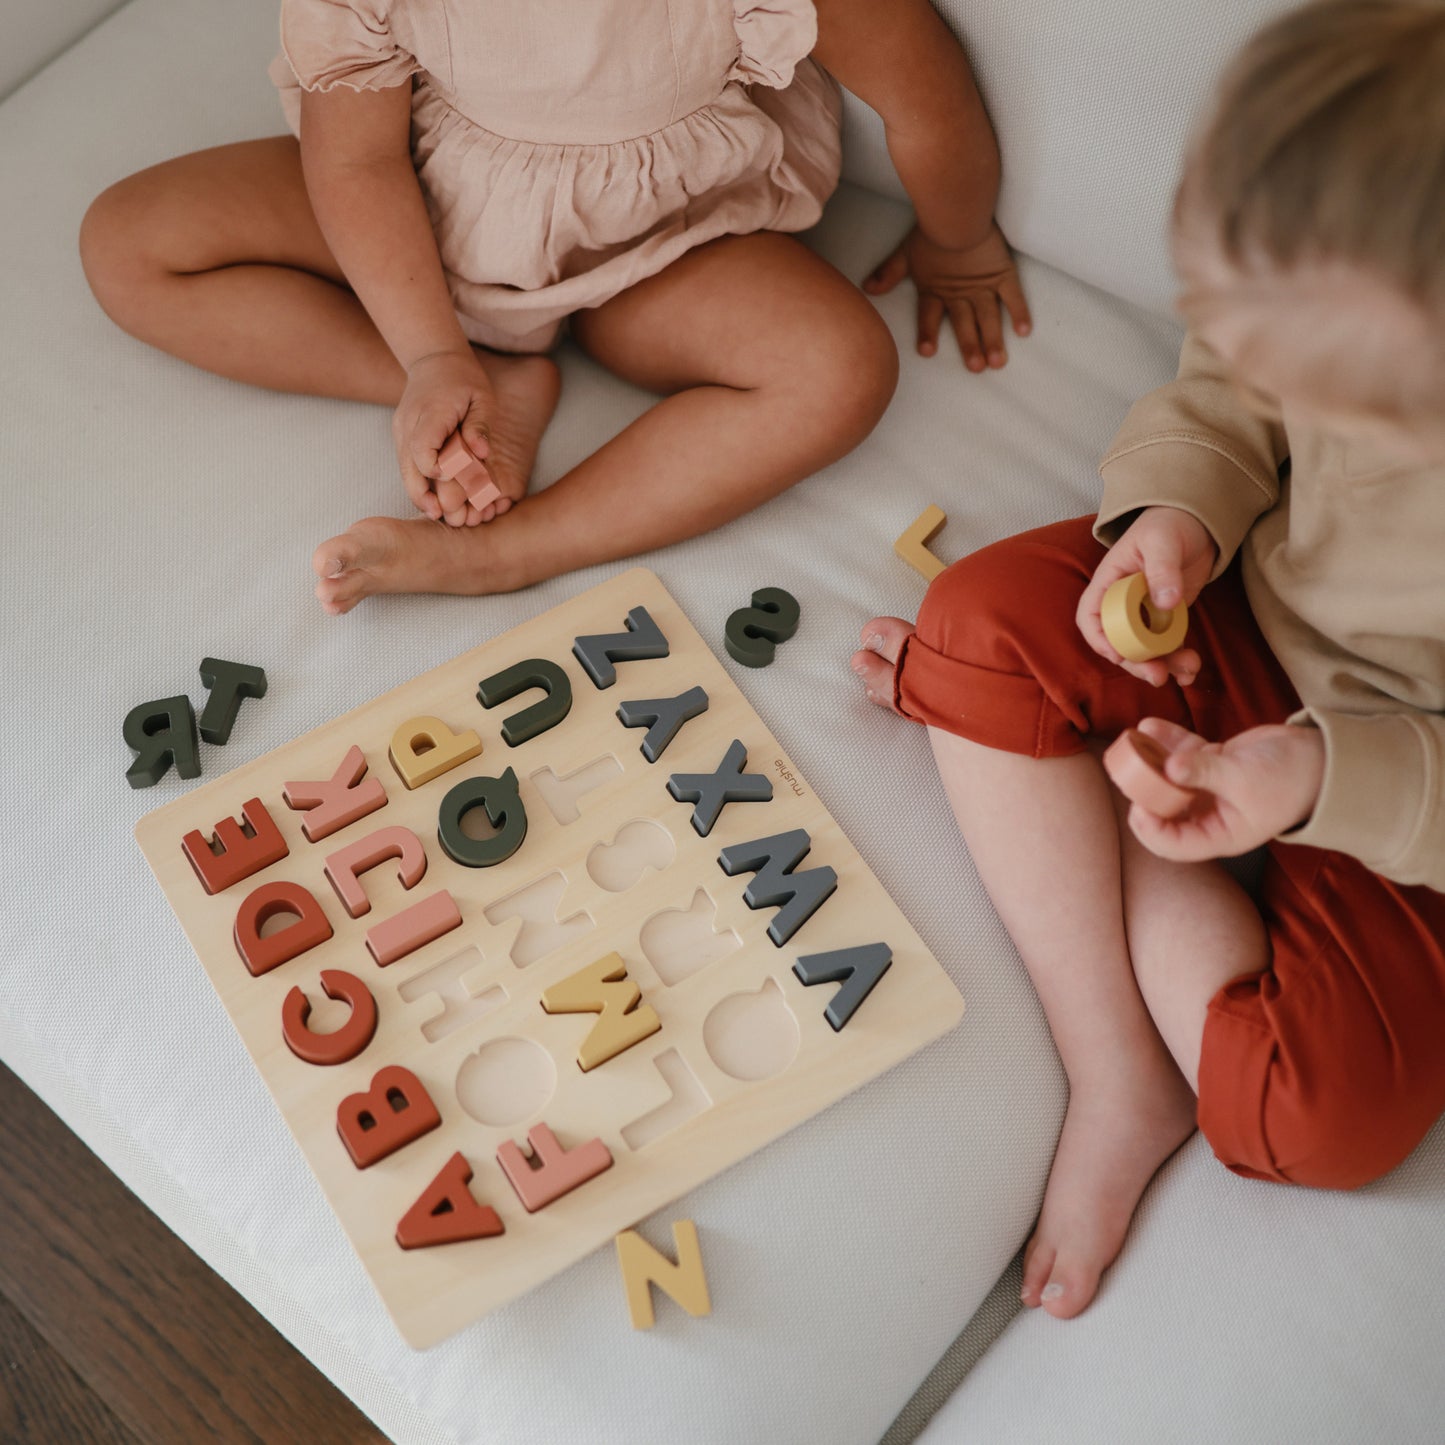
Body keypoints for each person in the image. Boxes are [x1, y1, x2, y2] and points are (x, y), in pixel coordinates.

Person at [853, 0, 1445, 1320]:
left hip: (1413, 804)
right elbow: (1231, 390)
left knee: (1318, 1118)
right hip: (1250, 621)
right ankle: (1115, 1064)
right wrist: (1178, 516)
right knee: (978, 624)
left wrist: (1310, 782)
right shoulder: (1376, 145)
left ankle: (1114, 809)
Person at [79, 0, 1029, 611]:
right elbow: (357, 160)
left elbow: (925, 96)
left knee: (840, 369)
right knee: (128, 244)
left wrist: (959, 237)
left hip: (659, 245)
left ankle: (510, 552)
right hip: (419, 212)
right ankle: (483, 380)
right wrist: (427, 356)